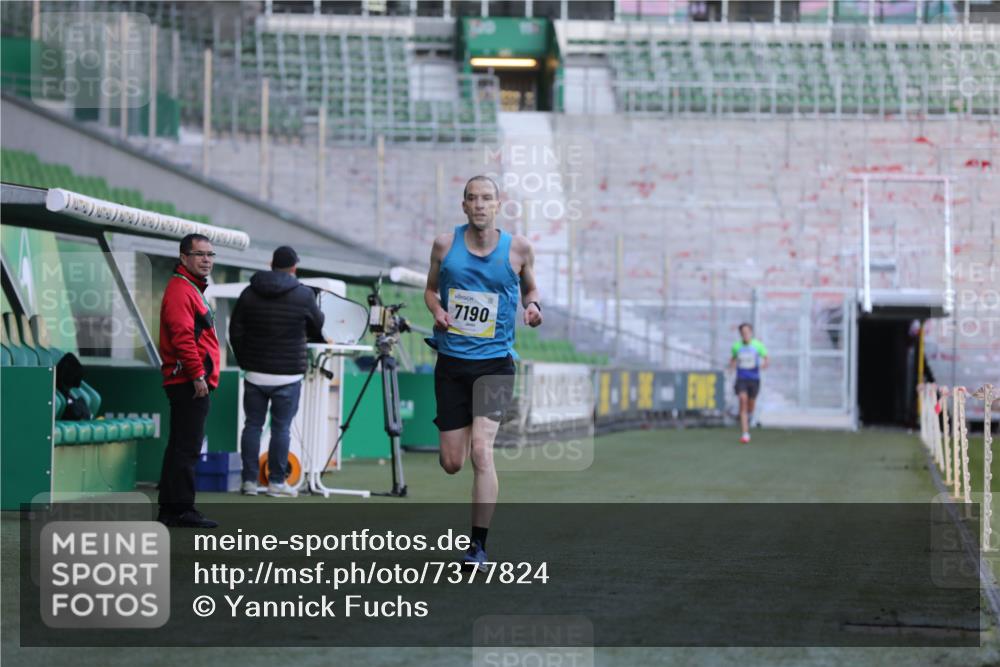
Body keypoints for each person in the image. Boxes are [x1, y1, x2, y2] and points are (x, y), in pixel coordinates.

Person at [424, 175, 542, 571]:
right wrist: (438, 311)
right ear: (464, 205)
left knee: (481, 451)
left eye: (486, 198)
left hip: (495, 364)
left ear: (498, 204)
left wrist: (533, 308)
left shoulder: (519, 248)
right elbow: (429, 290)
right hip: (453, 363)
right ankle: (476, 543)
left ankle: (478, 547)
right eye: (472, 198)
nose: (479, 204)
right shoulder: (445, 245)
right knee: (452, 462)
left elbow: (530, 290)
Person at [229, 246, 325, 498]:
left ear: (271, 263)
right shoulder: (304, 295)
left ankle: (249, 482)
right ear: (294, 267)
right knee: (281, 429)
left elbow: (235, 331)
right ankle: (276, 483)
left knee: (252, 427)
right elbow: (318, 325)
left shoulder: (249, 293)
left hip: (255, 373)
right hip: (288, 374)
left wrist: (244, 361)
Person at [157, 233, 221, 528]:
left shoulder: (189, 288)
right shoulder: (182, 289)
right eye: (200, 254)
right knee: (187, 447)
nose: (206, 259)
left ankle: (171, 510)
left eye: (210, 254)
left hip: (186, 378)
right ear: (184, 257)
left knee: (180, 446)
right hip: (189, 380)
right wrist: (197, 374)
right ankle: (181, 509)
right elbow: (183, 337)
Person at [729, 322, 768, 444]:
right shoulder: (736, 346)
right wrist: (732, 366)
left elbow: (766, 357)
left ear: (751, 333)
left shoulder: (757, 345)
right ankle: (745, 433)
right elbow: (733, 358)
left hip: (754, 379)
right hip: (742, 378)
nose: (745, 334)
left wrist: (764, 365)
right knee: (742, 400)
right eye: (743, 332)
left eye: (747, 332)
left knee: (751, 405)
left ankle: (747, 416)